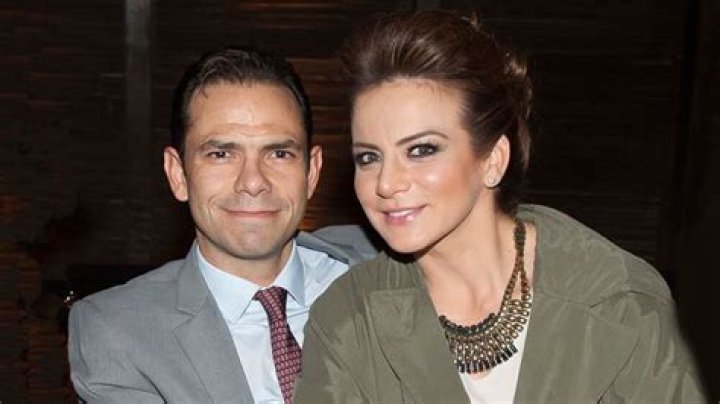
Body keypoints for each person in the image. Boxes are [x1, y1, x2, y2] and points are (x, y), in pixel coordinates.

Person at [294, 11, 708, 403]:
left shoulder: (618, 300)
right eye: (369, 157)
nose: (386, 183)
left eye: (421, 150)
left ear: (493, 160)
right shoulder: (348, 319)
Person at [68, 47, 376, 403]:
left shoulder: (393, 268)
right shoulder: (117, 330)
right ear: (178, 174)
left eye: (279, 153)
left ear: (311, 172)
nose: (253, 181)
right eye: (221, 154)